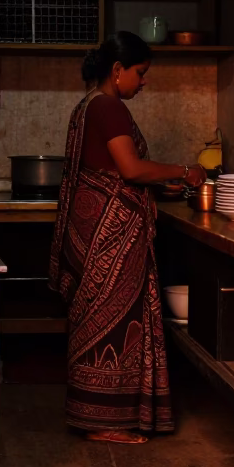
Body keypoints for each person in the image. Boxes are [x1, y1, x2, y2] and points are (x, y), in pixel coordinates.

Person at [48, 32, 207, 444]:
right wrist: (183, 170)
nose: (144, 81)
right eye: (141, 73)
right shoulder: (109, 108)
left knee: (100, 319)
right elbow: (131, 170)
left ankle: (96, 414)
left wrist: (158, 185)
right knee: (114, 323)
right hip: (111, 235)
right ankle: (104, 421)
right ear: (117, 71)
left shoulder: (87, 107)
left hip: (95, 232)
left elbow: (116, 173)